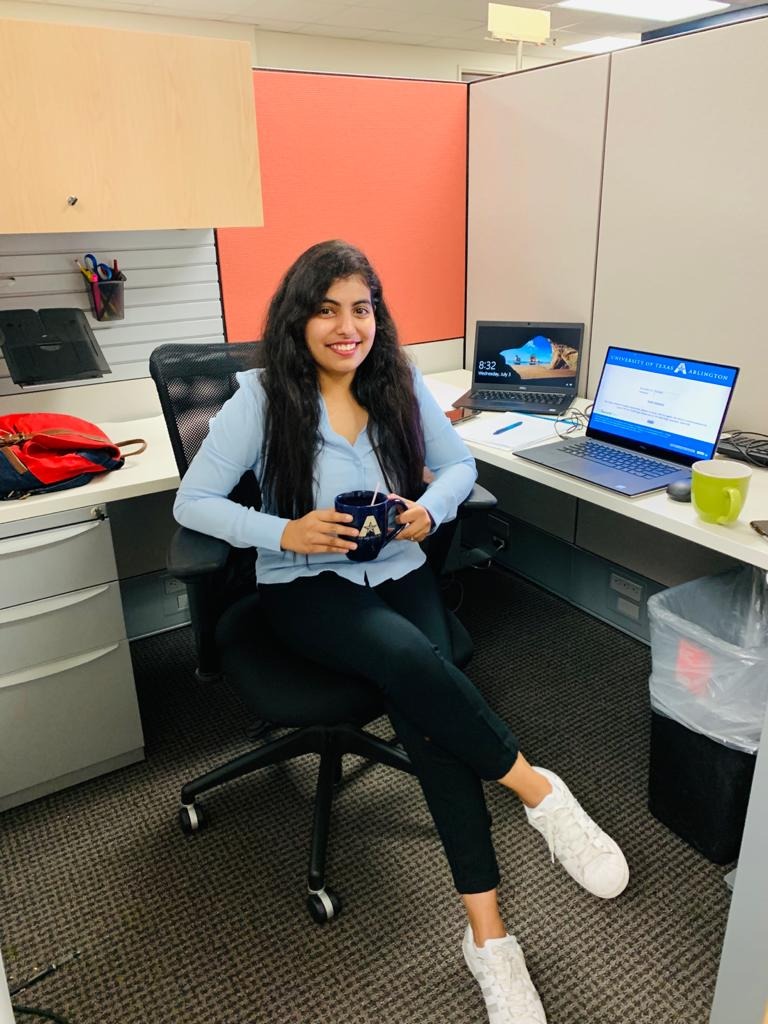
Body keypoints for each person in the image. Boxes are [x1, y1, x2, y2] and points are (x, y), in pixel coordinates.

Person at [174, 240, 629, 1024]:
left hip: (397, 570)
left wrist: (428, 511)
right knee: (415, 660)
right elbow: (194, 505)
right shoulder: (258, 398)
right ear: (298, 318)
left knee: (428, 716)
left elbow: (458, 469)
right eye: (327, 310)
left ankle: (488, 940)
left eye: (361, 309)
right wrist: (285, 532)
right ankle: (539, 791)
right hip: (304, 589)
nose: (347, 328)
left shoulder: (397, 382)